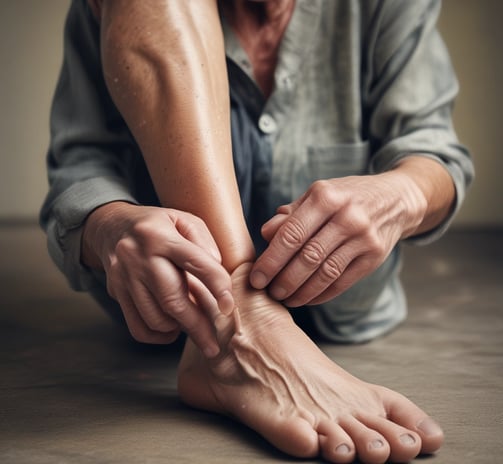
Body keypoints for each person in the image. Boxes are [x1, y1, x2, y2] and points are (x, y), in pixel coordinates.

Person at [40, 1, 474, 463]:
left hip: (351, 322)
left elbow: (435, 151)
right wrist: (109, 226)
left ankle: (241, 332)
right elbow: (78, 174)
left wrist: (399, 194)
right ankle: (237, 334)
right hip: (174, 326)